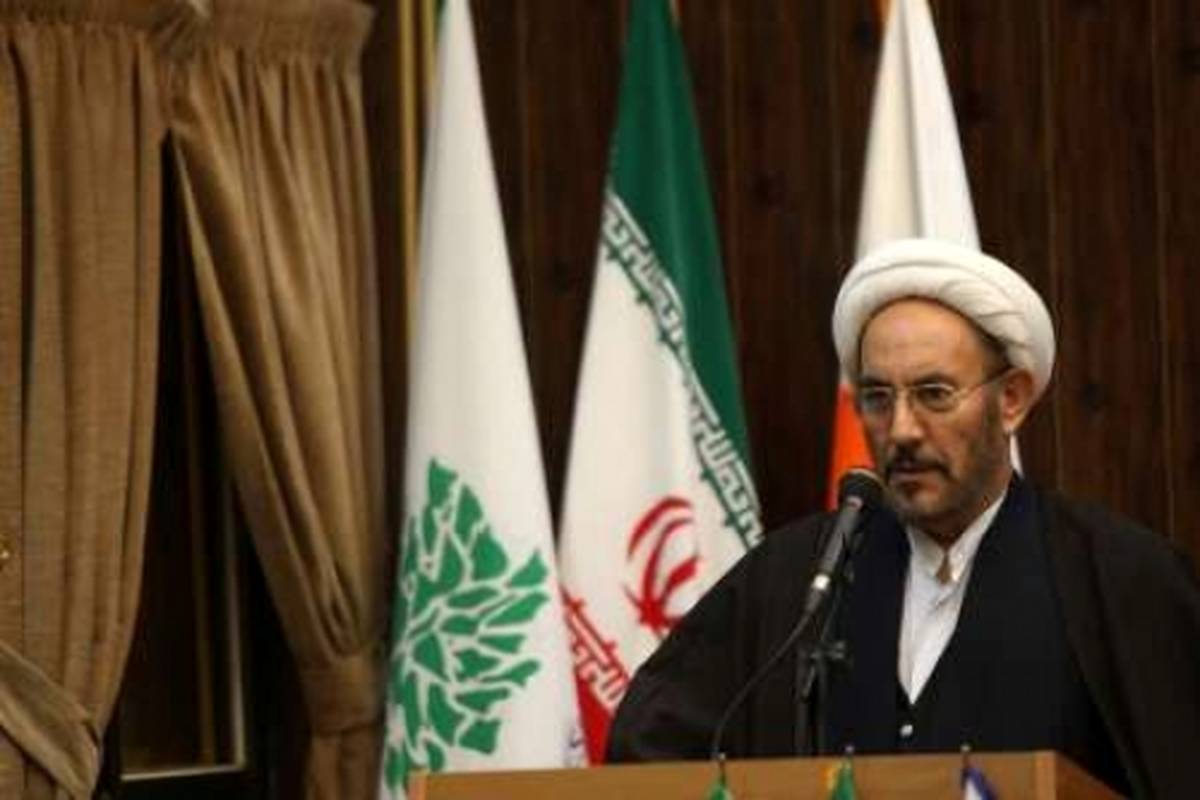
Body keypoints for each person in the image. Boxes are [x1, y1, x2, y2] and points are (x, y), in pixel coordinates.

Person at [605, 238, 1200, 797]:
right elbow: (649, 755)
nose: (903, 430)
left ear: (1012, 400)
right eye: (877, 398)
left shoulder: (1117, 579)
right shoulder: (796, 580)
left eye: (934, 394)